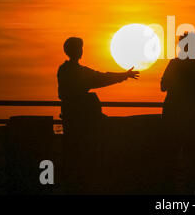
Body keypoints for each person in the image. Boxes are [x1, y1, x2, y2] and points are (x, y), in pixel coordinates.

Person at [57, 36, 139, 192]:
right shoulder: (77, 71)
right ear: (76, 50)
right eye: (79, 48)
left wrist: (123, 75)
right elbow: (100, 77)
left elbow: (98, 77)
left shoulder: (65, 69)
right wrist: (123, 76)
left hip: (71, 118)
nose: (81, 50)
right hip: (83, 121)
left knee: (74, 155)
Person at [160, 32, 195, 193]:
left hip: (173, 114)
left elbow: (163, 86)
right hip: (194, 115)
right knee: (193, 156)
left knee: (170, 155)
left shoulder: (174, 64)